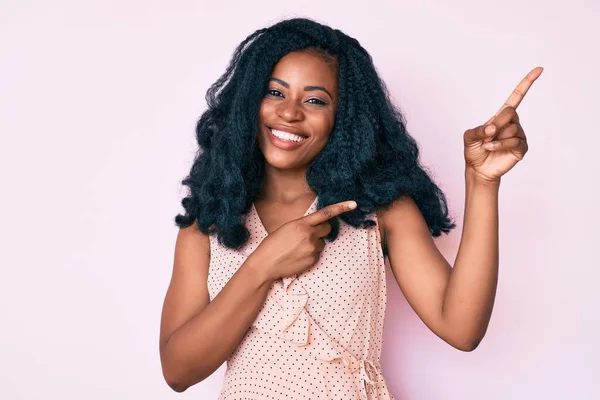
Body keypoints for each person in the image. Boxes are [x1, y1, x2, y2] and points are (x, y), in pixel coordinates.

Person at [158, 17, 542, 399]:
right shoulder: (207, 222)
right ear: (248, 101)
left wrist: (482, 183)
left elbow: (462, 328)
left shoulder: (381, 212)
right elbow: (178, 372)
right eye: (275, 92)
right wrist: (263, 264)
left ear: (342, 118)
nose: (290, 113)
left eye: (314, 100)